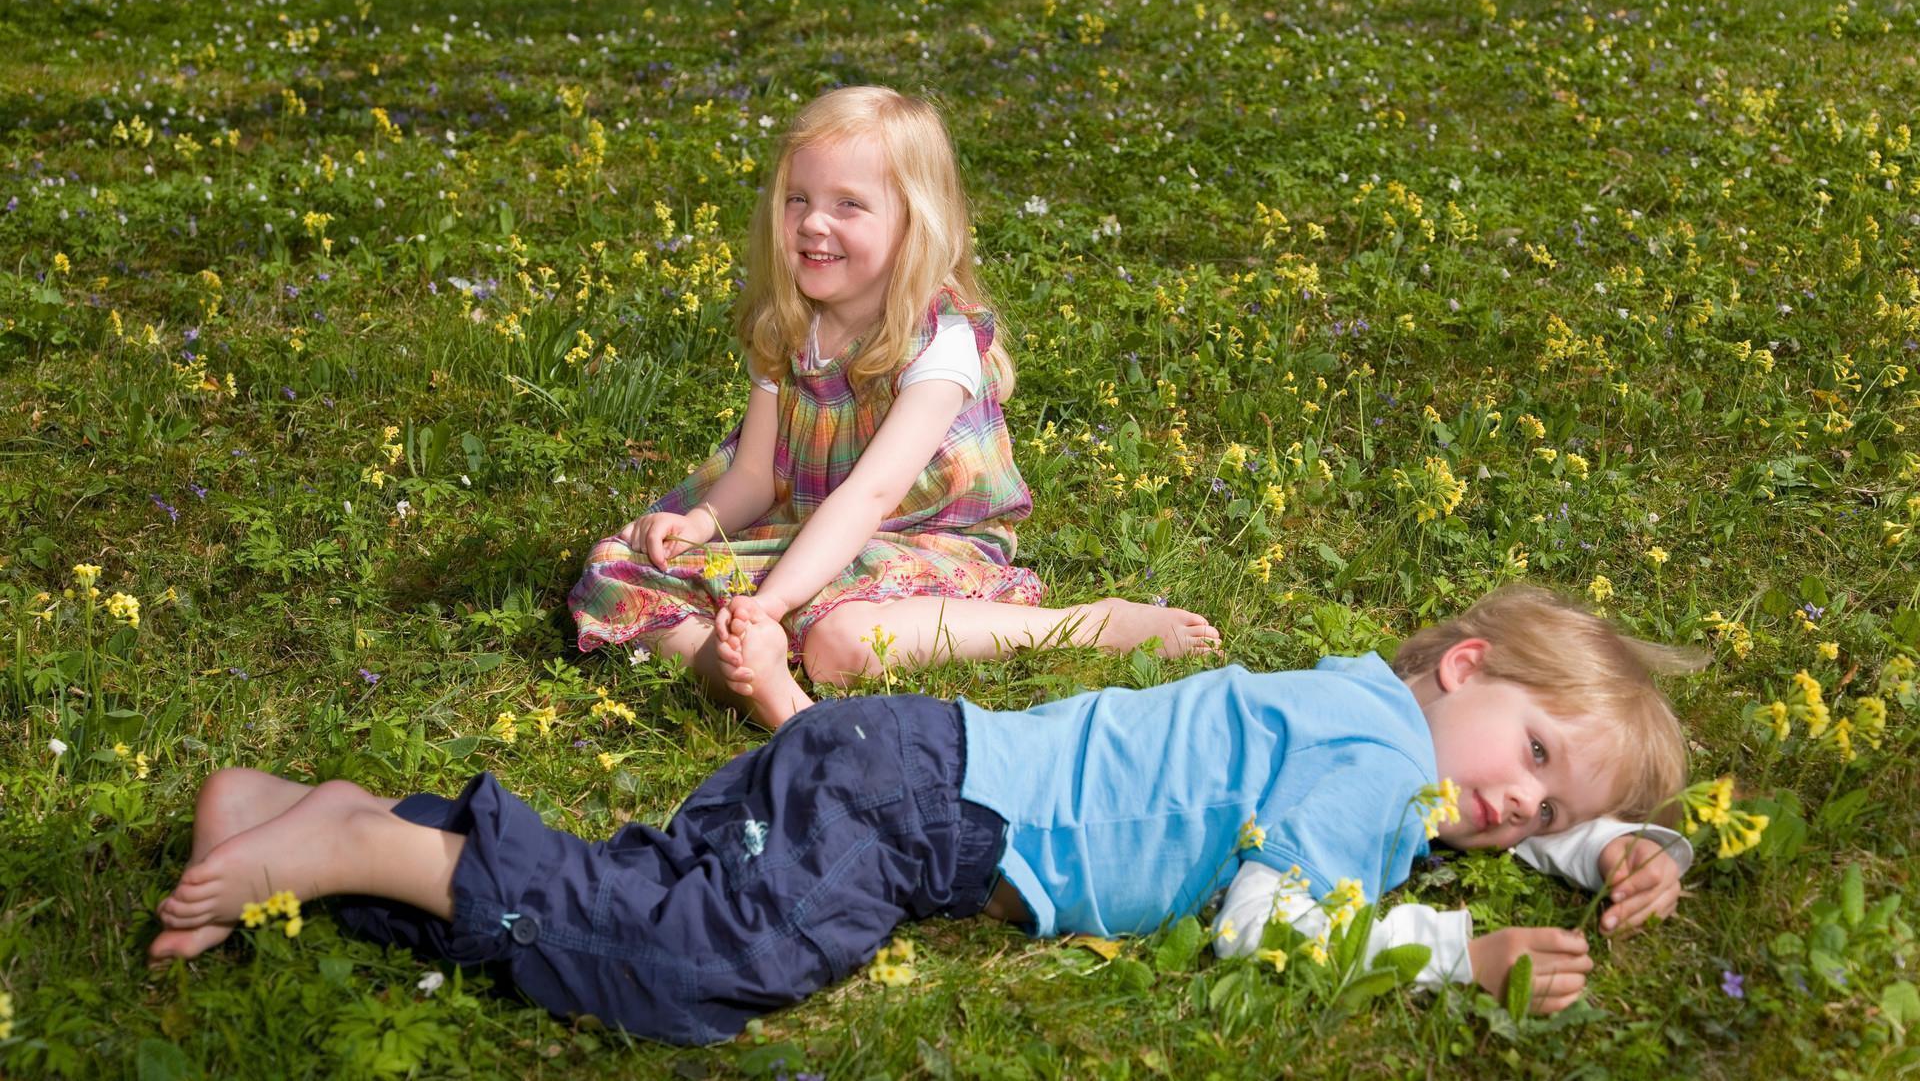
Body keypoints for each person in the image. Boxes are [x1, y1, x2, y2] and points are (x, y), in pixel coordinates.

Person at [148, 586, 1696, 1044]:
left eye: (1547, 806)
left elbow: (1459, 794)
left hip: (900, 760)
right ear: (1471, 665)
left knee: (665, 888)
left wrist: (1612, 846)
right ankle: (391, 849)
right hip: (923, 820)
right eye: (1540, 751)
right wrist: (1454, 953)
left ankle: (312, 822)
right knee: (701, 967)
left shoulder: (1372, 705)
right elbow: (1273, 919)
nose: (1514, 800)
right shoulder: (1370, 777)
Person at [569, 86, 1217, 728]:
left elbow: (871, 498)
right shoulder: (786, 326)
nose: (813, 222)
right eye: (799, 198)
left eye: (848, 204)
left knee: (841, 642)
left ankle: (1082, 627)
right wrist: (703, 524)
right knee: (614, 567)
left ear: (915, 222)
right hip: (811, 538)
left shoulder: (940, 342)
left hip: (929, 547)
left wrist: (769, 603)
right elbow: (754, 475)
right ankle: (750, 671)